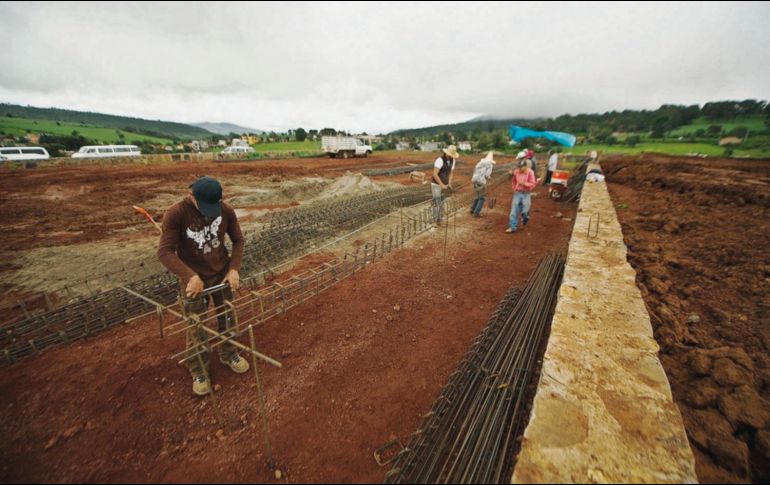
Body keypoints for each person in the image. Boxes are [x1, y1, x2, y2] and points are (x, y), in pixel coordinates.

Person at [158, 176, 249, 396]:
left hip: (222, 273)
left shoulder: (225, 210)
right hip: (193, 280)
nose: (210, 211)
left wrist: (234, 268)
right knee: (195, 325)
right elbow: (165, 252)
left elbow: (238, 240)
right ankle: (199, 370)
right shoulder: (176, 214)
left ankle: (229, 354)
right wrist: (190, 275)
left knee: (227, 315)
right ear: (191, 196)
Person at [506, 158, 537, 233]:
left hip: (526, 193)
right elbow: (512, 180)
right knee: (514, 211)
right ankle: (512, 227)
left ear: (525, 166)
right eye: (518, 167)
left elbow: (533, 183)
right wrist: (510, 175)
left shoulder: (530, 172)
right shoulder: (516, 172)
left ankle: (524, 220)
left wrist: (524, 183)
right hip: (518, 192)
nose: (519, 169)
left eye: (521, 167)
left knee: (525, 212)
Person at [431, 145, 458, 224]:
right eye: (450, 155)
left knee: (442, 201)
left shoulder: (453, 160)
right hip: (436, 184)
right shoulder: (440, 160)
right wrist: (441, 185)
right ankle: (434, 220)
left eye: (452, 155)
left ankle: (440, 218)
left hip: (445, 184)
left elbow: (451, 173)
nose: (451, 156)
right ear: (446, 153)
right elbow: (435, 174)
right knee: (437, 201)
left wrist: (449, 183)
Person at [470, 151, 496, 217]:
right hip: (481, 182)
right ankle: (476, 213)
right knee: (482, 198)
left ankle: (472, 209)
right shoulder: (490, 165)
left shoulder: (480, 163)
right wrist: (490, 178)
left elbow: (475, 170)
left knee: (477, 195)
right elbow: (487, 175)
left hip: (474, 180)